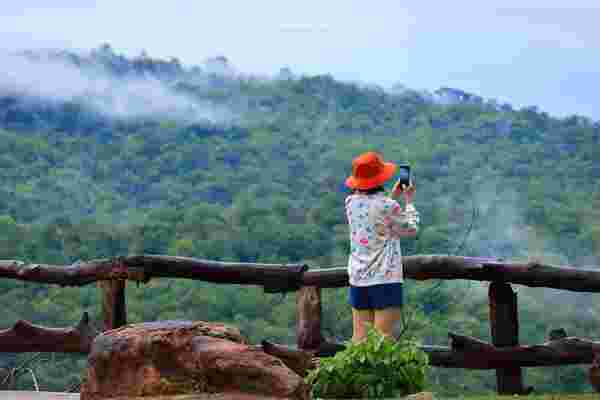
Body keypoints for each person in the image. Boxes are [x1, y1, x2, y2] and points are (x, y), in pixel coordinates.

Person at [344, 151, 420, 343]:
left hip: (358, 278)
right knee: (382, 342)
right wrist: (409, 201)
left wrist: (393, 197)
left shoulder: (350, 203)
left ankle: (352, 373)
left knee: (360, 340)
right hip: (385, 279)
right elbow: (410, 229)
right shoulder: (387, 206)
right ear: (380, 177)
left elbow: (376, 218)